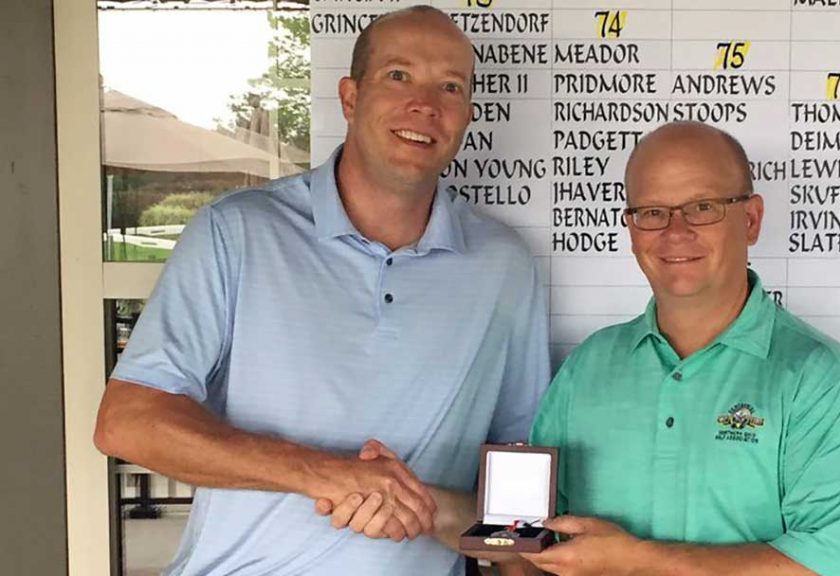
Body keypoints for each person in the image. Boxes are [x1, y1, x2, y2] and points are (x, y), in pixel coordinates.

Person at [93, 6, 549, 575]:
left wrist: (447, 519)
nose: (425, 105)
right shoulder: (238, 232)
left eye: (450, 87)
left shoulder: (504, 266)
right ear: (351, 97)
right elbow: (128, 422)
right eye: (398, 76)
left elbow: (518, 489)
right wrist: (328, 473)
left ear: (467, 116)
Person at [520, 122, 840, 576]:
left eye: (703, 207)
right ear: (631, 228)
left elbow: (835, 567)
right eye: (652, 212)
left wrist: (636, 560)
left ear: (751, 220)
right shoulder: (587, 367)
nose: (676, 232)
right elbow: (530, 533)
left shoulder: (820, 379)